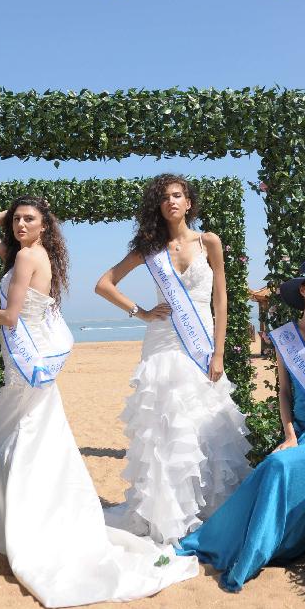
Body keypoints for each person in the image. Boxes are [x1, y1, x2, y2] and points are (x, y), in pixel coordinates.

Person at [0, 195, 198, 608]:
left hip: (24, 362)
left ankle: (15, 522)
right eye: (16, 220)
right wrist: (18, 205)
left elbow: (11, 317)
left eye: (28, 219)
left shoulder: (23, 260)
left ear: (43, 226)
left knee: (18, 436)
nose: (18, 225)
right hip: (26, 363)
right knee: (30, 435)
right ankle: (21, 517)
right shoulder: (32, 254)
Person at [176, 255, 305, 590]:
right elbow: (284, 392)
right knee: (273, 462)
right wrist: (289, 433)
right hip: (303, 435)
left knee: (279, 465)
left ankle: (264, 549)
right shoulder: (286, 337)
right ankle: (221, 539)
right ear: (303, 291)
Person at [95, 174, 251, 546]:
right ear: (158, 205)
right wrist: (141, 312)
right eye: (164, 197)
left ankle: (208, 512)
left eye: (178, 195)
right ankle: (168, 516)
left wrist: (219, 351)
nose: (172, 202)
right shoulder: (150, 249)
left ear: (189, 203)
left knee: (203, 420)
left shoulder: (209, 241)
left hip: (199, 345)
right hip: (163, 341)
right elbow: (104, 284)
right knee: (166, 424)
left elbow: (220, 301)